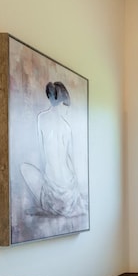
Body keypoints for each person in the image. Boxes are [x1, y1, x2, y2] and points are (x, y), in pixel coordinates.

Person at [20, 81, 86, 217]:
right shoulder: (66, 127)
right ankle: (66, 200)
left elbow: (41, 153)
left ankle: (53, 202)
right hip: (69, 192)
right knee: (59, 176)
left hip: (53, 190)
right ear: (62, 102)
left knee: (24, 168)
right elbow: (70, 159)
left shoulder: (41, 119)